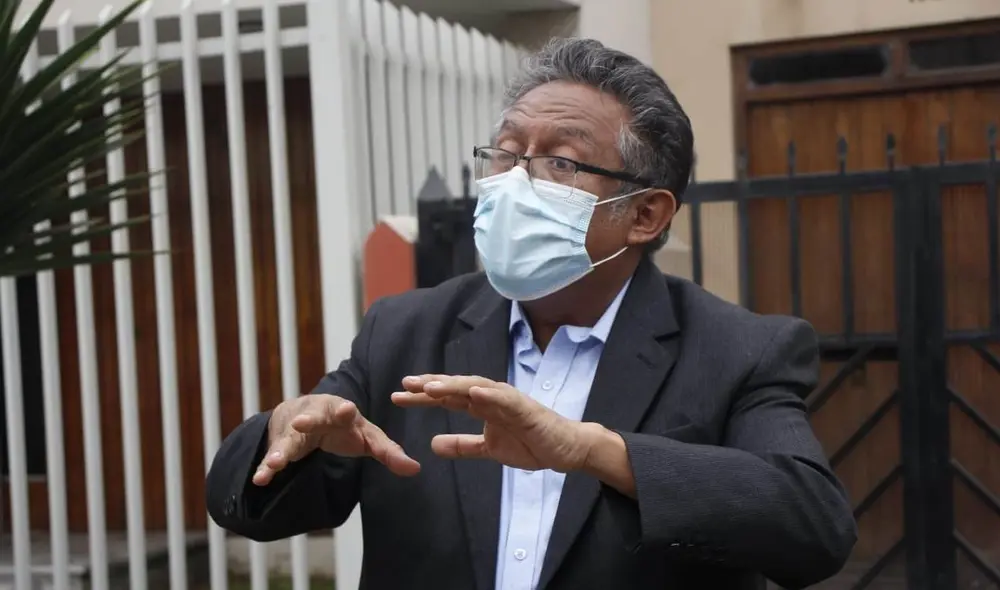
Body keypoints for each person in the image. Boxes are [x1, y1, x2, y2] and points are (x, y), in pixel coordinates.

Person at [206, 37, 857, 590]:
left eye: (560, 162)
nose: (515, 182)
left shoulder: (738, 350)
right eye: (506, 152)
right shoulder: (406, 332)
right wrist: (282, 432)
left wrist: (598, 452)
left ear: (645, 215)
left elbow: (814, 527)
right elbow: (247, 504)